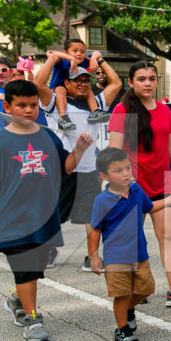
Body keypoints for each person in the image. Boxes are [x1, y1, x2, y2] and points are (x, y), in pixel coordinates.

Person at [0, 80, 93, 341]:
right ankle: (32, 318)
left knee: (36, 267)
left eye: (33, 105)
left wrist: (80, 149)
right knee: (26, 267)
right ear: (7, 107)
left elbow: (67, 167)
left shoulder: (48, 136)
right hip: (11, 218)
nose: (29, 110)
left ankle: (18, 300)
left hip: (43, 216)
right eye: (21, 105)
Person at [108, 61, 171, 308]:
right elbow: (114, 151)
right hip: (133, 188)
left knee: (168, 236)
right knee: (132, 239)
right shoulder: (122, 111)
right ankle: (138, 287)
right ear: (131, 82)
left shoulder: (164, 111)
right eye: (141, 79)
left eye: (152, 78)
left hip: (162, 185)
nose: (148, 83)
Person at [35, 53, 123, 271]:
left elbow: (117, 83)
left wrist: (100, 60)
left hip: (89, 171)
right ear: (67, 82)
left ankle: (92, 257)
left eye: (86, 81)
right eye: (78, 80)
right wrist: (54, 59)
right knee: (54, 214)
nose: (83, 84)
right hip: (63, 169)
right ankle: (48, 249)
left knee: (93, 215)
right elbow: (37, 83)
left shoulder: (97, 104)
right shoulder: (56, 102)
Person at [88, 148, 171, 341]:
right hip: (116, 257)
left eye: (127, 168)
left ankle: (128, 309)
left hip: (139, 254)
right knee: (122, 294)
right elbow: (95, 230)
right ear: (104, 176)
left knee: (146, 289)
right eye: (118, 170)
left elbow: (149, 208)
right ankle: (122, 330)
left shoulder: (136, 190)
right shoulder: (102, 201)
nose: (125, 173)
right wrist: (93, 256)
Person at [0, 56, 52, 145]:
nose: (0, 73)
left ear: (10, 72)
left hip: (19, 144)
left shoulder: (17, 89)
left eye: (4, 70)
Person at [46, 39, 109, 131]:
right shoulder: (62, 61)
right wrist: (70, 58)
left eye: (82, 52)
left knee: (89, 89)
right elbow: (50, 53)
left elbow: (97, 52)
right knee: (61, 89)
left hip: (74, 90)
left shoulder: (84, 62)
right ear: (65, 52)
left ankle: (95, 112)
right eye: (74, 51)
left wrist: (94, 59)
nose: (79, 54)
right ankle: (63, 118)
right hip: (57, 89)